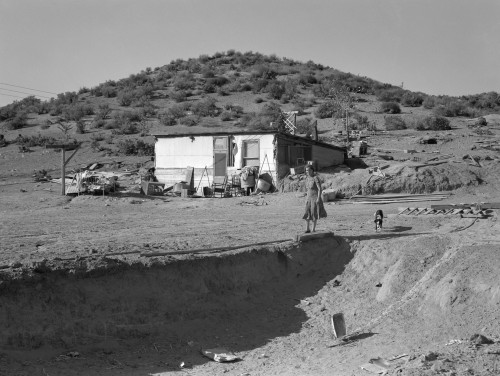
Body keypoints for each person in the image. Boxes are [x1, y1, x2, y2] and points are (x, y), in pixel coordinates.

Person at [302, 165, 327, 233]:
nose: (308, 171)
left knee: (314, 214)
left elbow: (319, 189)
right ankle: (307, 229)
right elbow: (307, 189)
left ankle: (313, 229)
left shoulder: (315, 178)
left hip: (315, 198)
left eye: (309, 170)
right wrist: (305, 195)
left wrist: (318, 198)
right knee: (307, 213)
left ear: (312, 170)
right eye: (307, 170)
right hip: (308, 198)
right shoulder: (307, 178)